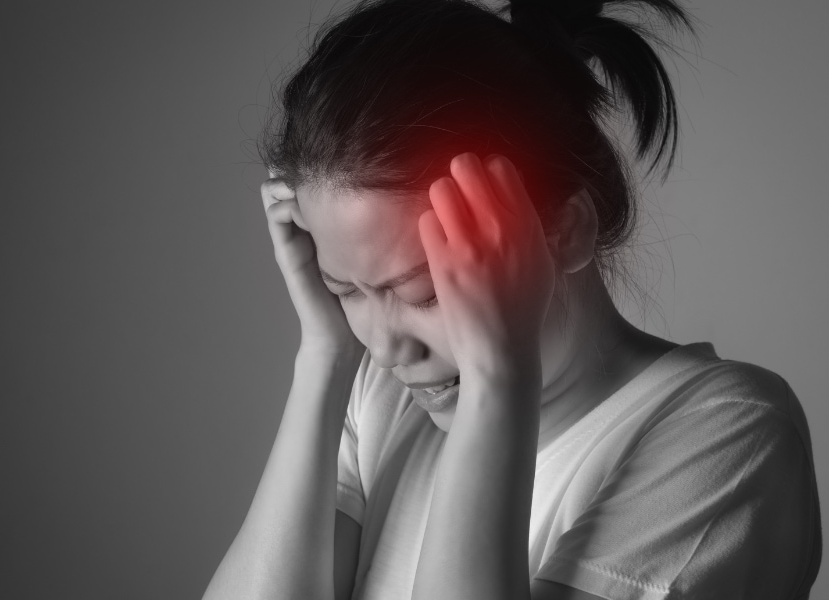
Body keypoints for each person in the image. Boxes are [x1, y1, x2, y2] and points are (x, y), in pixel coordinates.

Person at [203, 0, 822, 598]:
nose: (386, 348)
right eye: (346, 291)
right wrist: (323, 357)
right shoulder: (377, 392)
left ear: (565, 232)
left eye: (421, 292)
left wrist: (501, 374)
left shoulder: (729, 435)